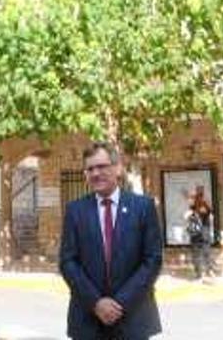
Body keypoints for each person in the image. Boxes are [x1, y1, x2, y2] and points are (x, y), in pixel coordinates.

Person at [59, 142, 163, 339]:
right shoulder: (75, 210)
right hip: (88, 320)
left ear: (118, 168)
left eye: (102, 166)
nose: (95, 173)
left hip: (133, 319)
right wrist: (96, 303)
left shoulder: (143, 207)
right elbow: (68, 262)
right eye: (90, 169)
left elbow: (152, 260)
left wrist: (120, 303)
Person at [184, 187, 214, 279]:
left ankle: (207, 271)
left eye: (198, 193)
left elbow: (207, 213)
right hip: (197, 231)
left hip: (203, 231)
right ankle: (200, 273)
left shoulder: (204, 204)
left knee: (205, 251)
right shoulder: (194, 205)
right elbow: (188, 216)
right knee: (198, 251)